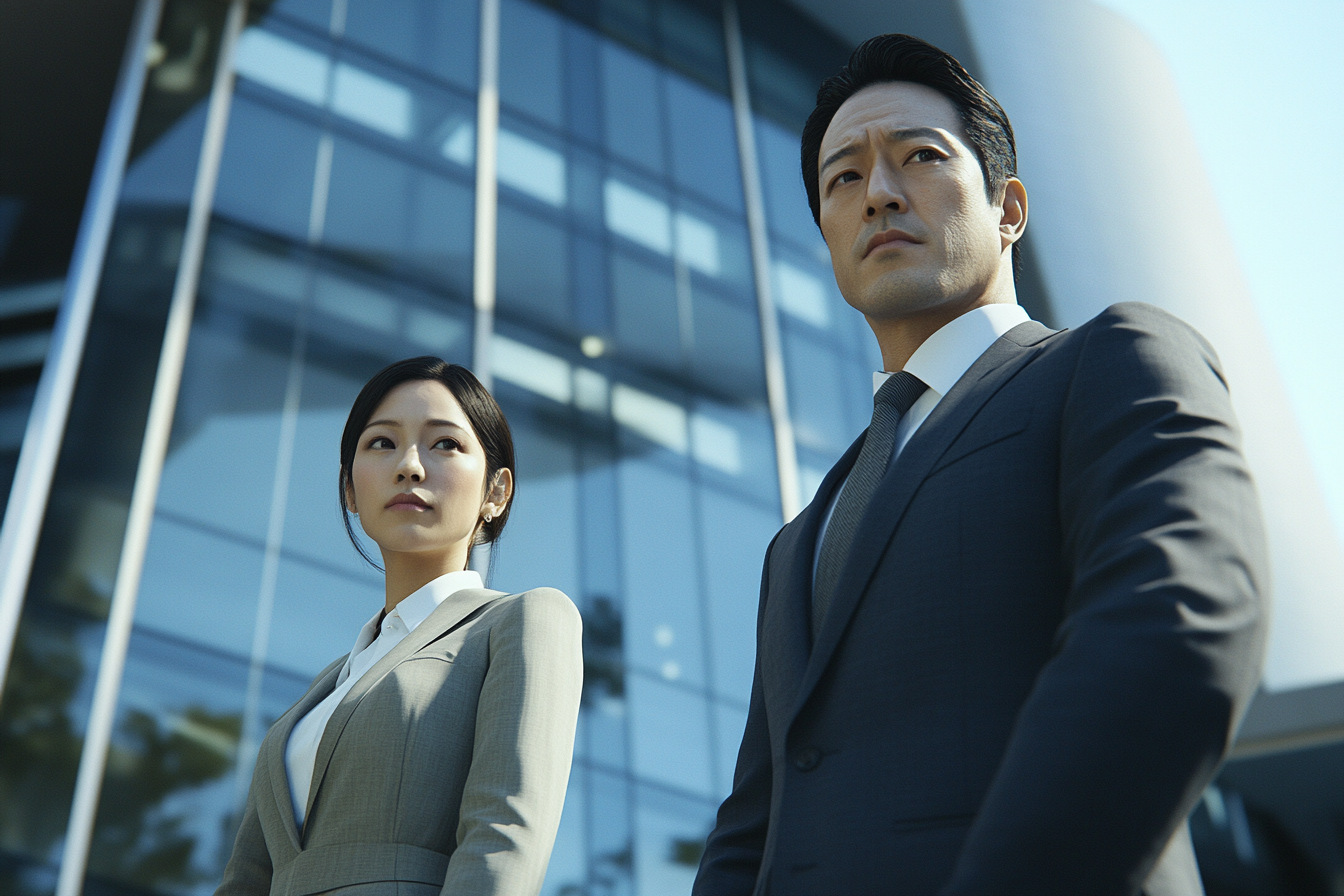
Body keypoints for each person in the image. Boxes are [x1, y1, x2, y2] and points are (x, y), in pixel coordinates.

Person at [693, 33, 1267, 896]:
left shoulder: (1110, 361)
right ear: (827, 234)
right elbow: (755, 821)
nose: (879, 193)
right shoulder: (800, 537)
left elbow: (1177, 625)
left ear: (1008, 208)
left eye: (918, 157)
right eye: (843, 178)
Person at [217, 357, 583, 896]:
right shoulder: (323, 692)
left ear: (496, 492)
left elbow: (503, 840)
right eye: (382, 444)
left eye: (445, 445)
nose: (409, 466)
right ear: (349, 488)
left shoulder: (521, 622)